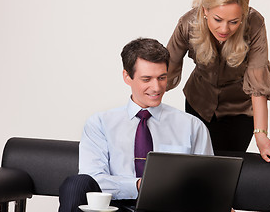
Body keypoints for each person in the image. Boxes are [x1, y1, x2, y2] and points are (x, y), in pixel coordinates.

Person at [58, 38, 214, 212]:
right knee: (76, 183)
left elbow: (207, 184)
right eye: (146, 79)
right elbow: (95, 180)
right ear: (127, 76)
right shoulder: (100, 124)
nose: (156, 88)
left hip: (167, 208)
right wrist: (139, 185)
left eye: (162, 78)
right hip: (115, 208)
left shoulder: (192, 126)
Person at [166, 0, 270, 162]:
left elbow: (257, 82)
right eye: (218, 20)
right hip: (199, 102)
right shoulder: (188, 23)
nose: (224, 29)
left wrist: (261, 135)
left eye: (234, 22)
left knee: (225, 167)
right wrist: (147, 112)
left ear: (243, 16)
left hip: (239, 109)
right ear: (206, 10)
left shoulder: (255, 23)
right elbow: (166, 68)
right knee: (196, 164)